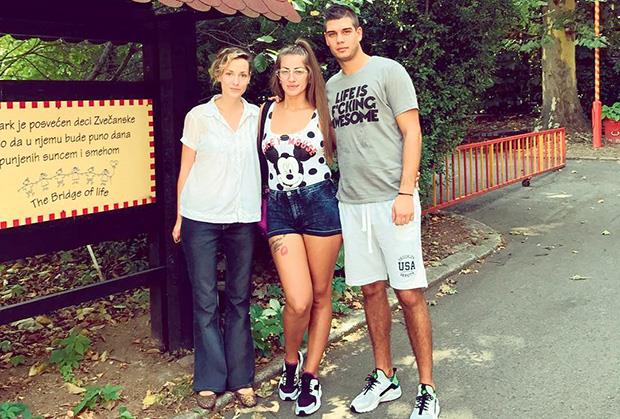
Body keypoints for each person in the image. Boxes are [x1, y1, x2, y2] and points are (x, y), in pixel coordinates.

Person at [323, 5, 440, 419]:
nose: (339, 39)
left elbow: (412, 132)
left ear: (359, 33)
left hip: (394, 201)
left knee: (408, 293)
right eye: (332, 34)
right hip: (353, 204)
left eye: (345, 31)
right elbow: (331, 143)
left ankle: (427, 387)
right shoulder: (331, 87)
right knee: (371, 291)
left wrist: (406, 191)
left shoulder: (389, 71)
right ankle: (385, 375)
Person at [171, 47, 259, 410]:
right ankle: (209, 379)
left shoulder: (258, 116)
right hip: (201, 216)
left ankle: (241, 378)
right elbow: (186, 169)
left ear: (249, 79)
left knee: (239, 298)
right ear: (218, 75)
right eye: (230, 73)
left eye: (243, 74)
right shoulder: (199, 117)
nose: (236, 80)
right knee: (205, 298)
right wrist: (180, 216)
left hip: (243, 217)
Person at [258, 39, 342, 416]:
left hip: (319, 203)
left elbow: (359, 148)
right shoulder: (265, 111)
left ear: (310, 74)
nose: (291, 77)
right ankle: (290, 362)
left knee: (321, 294)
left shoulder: (325, 111)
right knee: (298, 299)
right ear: (277, 75)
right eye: (285, 70)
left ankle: (310, 374)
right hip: (280, 207)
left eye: (299, 70)